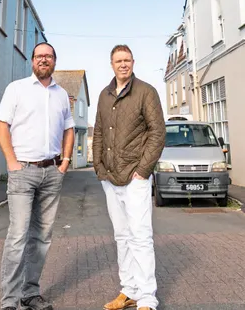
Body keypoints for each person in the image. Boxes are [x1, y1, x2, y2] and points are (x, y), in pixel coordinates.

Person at [0, 42, 74, 310]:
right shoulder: (16, 89)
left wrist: (64, 163)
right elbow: (1, 125)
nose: (44, 60)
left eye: (48, 56)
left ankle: (30, 294)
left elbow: (69, 130)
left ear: (54, 61)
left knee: (41, 237)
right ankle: (9, 301)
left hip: (52, 172)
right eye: (39, 56)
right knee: (18, 235)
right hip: (22, 172)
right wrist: (12, 162)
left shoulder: (62, 94)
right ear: (32, 61)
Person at [92, 45, 166, 310]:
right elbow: (99, 131)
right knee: (121, 236)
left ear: (133, 62)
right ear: (111, 64)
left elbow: (157, 133)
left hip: (135, 176)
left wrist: (143, 171)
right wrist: (99, 168)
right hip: (110, 177)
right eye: (118, 61)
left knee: (140, 236)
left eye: (127, 60)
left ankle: (147, 298)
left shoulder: (146, 92)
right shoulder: (103, 95)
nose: (123, 64)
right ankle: (129, 290)